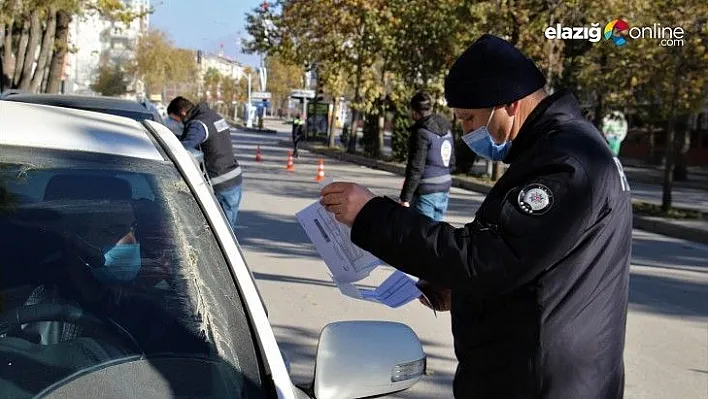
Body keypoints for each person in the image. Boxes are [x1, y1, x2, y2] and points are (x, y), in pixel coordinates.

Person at [320, 34, 632, 398]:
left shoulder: (566, 166)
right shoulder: (563, 150)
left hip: (542, 383)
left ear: (511, 105)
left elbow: (486, 261)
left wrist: (370, 214)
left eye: (470, 119)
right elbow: (530, 263)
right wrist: (464, 292)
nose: (467, 132)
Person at [168, 97, 243, 230]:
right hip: (233, 178)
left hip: (221, 182)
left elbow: (183, 150)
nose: (177, 123)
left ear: (182, 113)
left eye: (176, 120)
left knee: (223, 232)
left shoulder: (198, 125)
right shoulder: (212, 116)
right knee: (226, 228)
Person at [400, 91, 455, 222]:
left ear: (415, 111)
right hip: (444, 189)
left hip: (425, 192)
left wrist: (405, 198)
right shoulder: (446, 129)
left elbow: (415, 168)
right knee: (435, 235)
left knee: (421, 236)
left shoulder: (421, 133)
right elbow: (452, 162)